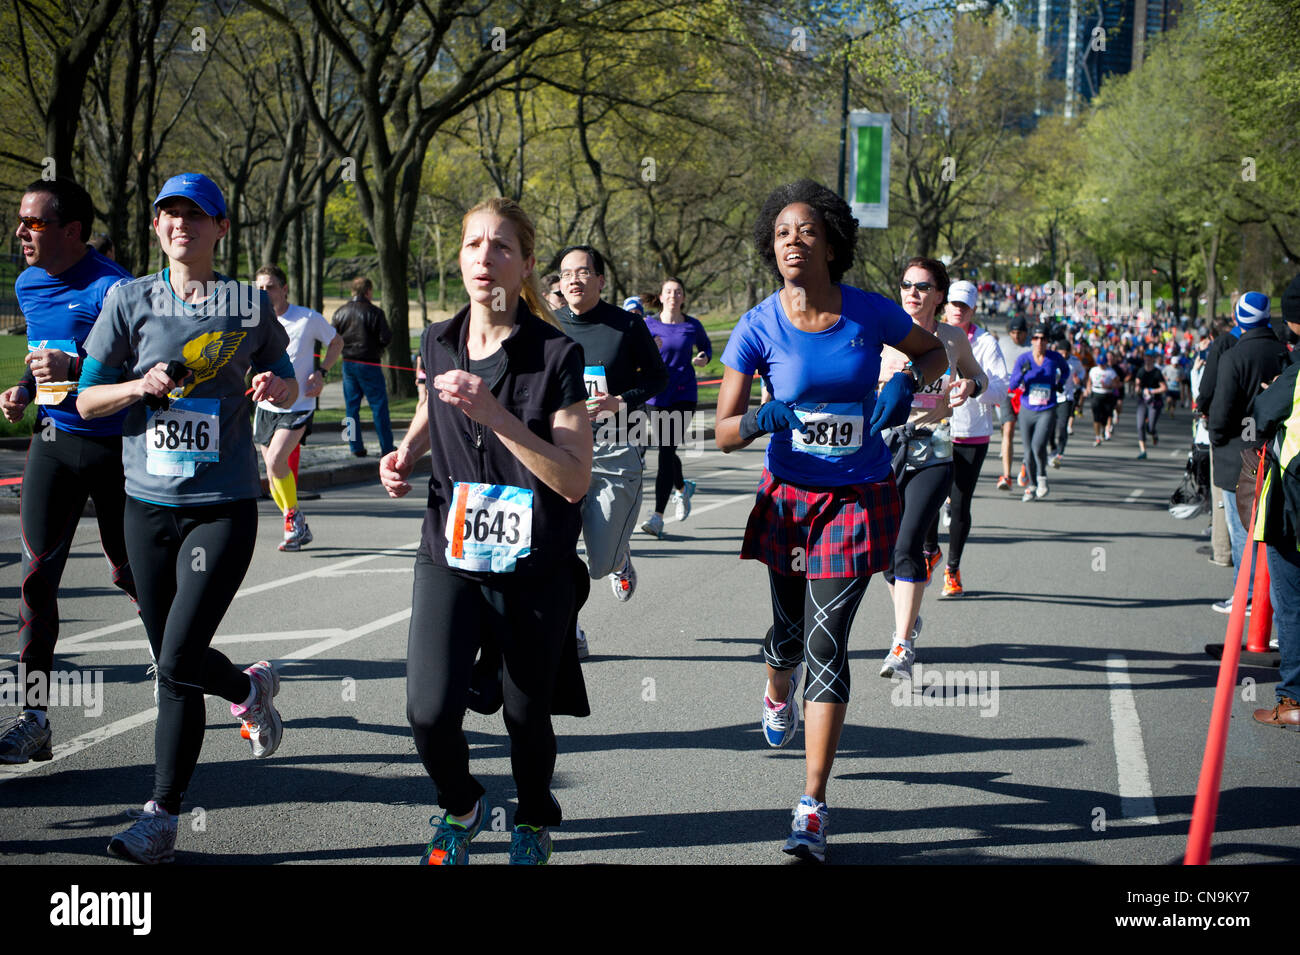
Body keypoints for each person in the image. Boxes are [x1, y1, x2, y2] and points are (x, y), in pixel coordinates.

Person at [715, 179, 945, 862]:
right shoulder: (757, 324)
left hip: (857, 493)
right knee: (788, 636)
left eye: (807, 231)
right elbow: (723, 430)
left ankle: (812, 802)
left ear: (833, 243)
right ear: (770, 246)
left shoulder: (869, 312)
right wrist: (762, 417)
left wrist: (906, 380)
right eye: (782, 232)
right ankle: (774, 682)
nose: (793, 241)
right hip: (789, 498)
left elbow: (931, 352)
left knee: (826, 642)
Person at [76, 173, 296, 864]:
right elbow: (85, 401)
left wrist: (277, 384)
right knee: (173, 668)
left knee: (175, 657)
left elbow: (286, 378)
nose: (181, 225)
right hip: (146, 507)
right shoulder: (127, 298)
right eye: (170, 214)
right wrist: (138, 385)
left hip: (221, 507)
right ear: (156, 226)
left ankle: (159, 809)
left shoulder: (245, 303)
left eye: (196, 216)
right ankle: (245, 690)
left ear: (220, 228)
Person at [380, 197, 592, 865]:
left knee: (526, 715)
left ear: (526, 263)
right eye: (474, 244)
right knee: (427, 709)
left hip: (534, 559)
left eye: (501, 246)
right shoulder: (437, 338)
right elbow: (428, 404)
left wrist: (495, 414)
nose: (484, 257)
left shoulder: (557, 353)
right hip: (449, 543)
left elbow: (572, 479)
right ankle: (462, 804)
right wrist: (406, 453)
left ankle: (532, 816)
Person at [0, 178, 137, 764]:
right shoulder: (28, 282)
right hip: (54, 442)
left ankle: (186, 669)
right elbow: (43, 358)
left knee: (132, 574)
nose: (20, 232)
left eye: (33, 223)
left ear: (72, 231)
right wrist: (26, 387)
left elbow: (144, 366)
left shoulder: (116, 289)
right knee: (36, 578)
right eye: (20, 222)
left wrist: (75, 361)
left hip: (115, 450)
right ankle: (33, 716)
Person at [553, 245, 668, 656]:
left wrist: (621, 401)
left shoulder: (626, 326)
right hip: (559, 446)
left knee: (597, 561)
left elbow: (658, 378)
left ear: (601, 280)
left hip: (615, 443)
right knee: (557, 547)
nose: (574, 280)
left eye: (583, 272)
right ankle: (572, 632)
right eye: (566, 274)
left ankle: (617, 557)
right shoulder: (547, 325)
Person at [878, 263, 987, 679]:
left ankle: (902, 645)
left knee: (907, 546)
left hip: (934, 448)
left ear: (939, 294)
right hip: (885, 449)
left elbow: (978, 376)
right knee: (886, 554)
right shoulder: (882, 334)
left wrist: (968, 386)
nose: (912, 292)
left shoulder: (952, 338)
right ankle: (910, 615)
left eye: (923, 286)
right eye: (906, 284)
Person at [924, 279, 1008, 597]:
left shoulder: (985, 343)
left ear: (972, 310)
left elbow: (1001, 386)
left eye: (965, 306)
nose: (958, 310)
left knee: (959, 504)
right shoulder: (932, 336)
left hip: (971, 433)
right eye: (954, 304)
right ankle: (930, 549)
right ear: (945, 305)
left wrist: (973, 387)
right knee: (927, 499)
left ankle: (953, 570)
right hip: (935, 428)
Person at [1206, 292, 1290, 615]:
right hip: (1275, 447)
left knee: (1242, 528)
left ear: (1239, 318)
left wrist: (1217, 437)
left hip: (1236, 452)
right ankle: (1267, 599)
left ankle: (1250, 596)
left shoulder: (1235, 356)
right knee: (1271, 530)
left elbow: (1222, 411)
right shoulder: (1284, 354)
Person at [252, 265, 344, 551]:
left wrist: (322, 372)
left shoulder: (306, 318)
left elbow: (336, 341)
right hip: (266, 406)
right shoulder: (254, 320)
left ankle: (292, 520)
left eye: (270, 287)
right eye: (259, 288)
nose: (264, 293)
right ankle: (296, 521)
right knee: (271, 469)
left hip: (299, 402)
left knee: (277, 461)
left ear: (283, 289)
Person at [1249, 273, 1300, 728]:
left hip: (1293, 510)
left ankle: (1293, 701)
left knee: (1293, 605)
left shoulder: (1294, 372)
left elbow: (1260, 420)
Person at [640, 277, 712, 539]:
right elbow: (636, 354)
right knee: (666, 450)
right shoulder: (648, 325)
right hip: (656, 396)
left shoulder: (692, 325)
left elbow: (706, 348)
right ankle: (682, 487)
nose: (673, 295)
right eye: (669, 291)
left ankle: (657, 517)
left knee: (666, 450)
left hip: (683, 394)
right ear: (660, 296)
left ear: (683, 297)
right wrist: (650, 350)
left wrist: (703, 357)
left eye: (678, 291)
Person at [332, 276, 394, 458]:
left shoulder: (340, 312)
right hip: (370, 363)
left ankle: (355, 446)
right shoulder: (375, 312)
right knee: (379, 406)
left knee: (351, 408)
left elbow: (333, 337)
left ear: (352, 291)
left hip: (348, 364)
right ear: (368, 291)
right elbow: (386, 338)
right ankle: (387, 447)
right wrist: (378, 348)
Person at [1008, 322, 1071, 501]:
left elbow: (1065, 370)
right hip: (1027, 409)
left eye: (1043, 338)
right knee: (1027, 451)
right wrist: (1022, 373)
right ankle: (1032, 485)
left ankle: (1042, 477)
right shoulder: (1023, 359)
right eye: (1035, 338)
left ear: (1047, 341)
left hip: (1047, 409)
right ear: (1032, 340)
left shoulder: (1054, 357)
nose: (1039, 342)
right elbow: (1012, 386)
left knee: (1038, 446)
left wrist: (1059, 384)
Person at [996, 316, 1030, 489]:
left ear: (1026, 332)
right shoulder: (1002, 343)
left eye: (1020, 333)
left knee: (1027, 434)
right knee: (1007, 429)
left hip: (1027, 394)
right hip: (1007, 392)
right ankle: (1006, 476)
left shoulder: (1033, 345)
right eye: (1013, 333)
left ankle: (1026, 465)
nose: (1016, 337)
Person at [1047, 337, 1084, 468]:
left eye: (1065, 353)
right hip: (1051, 396)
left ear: (1069, 352)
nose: (1063, 355)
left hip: (1066, 397)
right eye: (1061, 352)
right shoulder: (1051, 359)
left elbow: (1082, 372)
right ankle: (1053, 447)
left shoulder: (1075, 361)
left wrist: (1078, 379)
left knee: (1062, 425)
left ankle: (1060, 452)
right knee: (1050, 425)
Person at [1133, 350, 1167, 459]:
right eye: (1146, 357)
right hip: (1142, 401)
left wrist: (1152, 391)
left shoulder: (1157, 372)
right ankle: (1143, 451)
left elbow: (1164, 388)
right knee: (1140, 425)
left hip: (1154, 402)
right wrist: (1138, 389)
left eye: (1149, 357)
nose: (1147, 359)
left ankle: (1154, 433)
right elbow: (1137, 385)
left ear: (1153, 359)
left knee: (1150, 427)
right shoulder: (1141, 371)